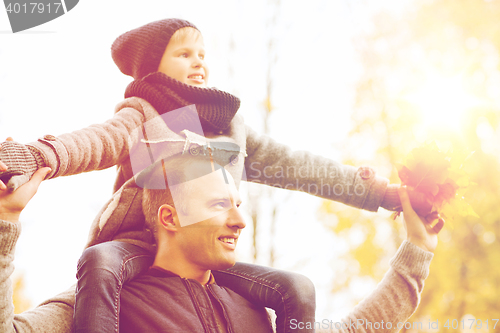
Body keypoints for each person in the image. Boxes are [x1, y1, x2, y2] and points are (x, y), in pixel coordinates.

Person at [0, 18, 429, 333]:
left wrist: (383, 196)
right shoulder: (144, 114)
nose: (198, 63)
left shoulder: (231, 128)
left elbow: (300, 168)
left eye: (202, 54)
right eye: (183, 54)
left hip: (204, 256)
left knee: (296, 286)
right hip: (131, 248)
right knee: (99, 260)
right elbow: (94, 143)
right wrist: (35, 158)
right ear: (153, 67)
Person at [0, 154, 443, 333]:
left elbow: (355, 329)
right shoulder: (103, 301)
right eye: (219, 205)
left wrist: (417, 250)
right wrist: (6, 223)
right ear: (169, 218)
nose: (240, 220)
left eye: (238, 203)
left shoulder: (257, 310)